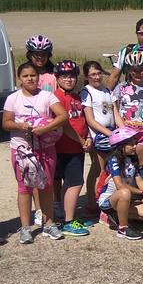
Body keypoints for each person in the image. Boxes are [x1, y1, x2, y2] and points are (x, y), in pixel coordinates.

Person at [2, 61, 69, 244]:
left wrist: (45, 128)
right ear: (20, 79)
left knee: (46, 186)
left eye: (33, 75)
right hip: (22, 149)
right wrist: (20, 125)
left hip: (46, 148)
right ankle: (25, 227)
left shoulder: (47, 96)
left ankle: (48, 224)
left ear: (38, 77)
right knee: (25, 188)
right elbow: (5, 122)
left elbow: (63, 116)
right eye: (25, 76)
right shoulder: (13, 98)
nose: (30, 78)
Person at [52, 59, 91, 236]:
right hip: (63, 146)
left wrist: (88, 136)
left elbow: (83, 121)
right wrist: (81, 141)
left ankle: (67, 216)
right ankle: (68, 221)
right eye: (64, 76)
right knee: (74, 183)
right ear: (57, 78)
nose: (69, 80)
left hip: (77, 147)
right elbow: (65, 125)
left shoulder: (76, 97)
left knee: (71, 183)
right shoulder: (56, 97)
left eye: (72, 76)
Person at [98, 130, 143, 240]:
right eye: (131, 144)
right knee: (124, 192)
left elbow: (139, 179)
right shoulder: (113, 160)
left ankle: (113, 218)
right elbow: (119, 185)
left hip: (122, 199)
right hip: (108, 200)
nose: (135, 146)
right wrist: (141, 193)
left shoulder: (132, 159)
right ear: (121, 146)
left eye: (135, 143)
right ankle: (122, 229)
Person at [81, 61, 116, 214]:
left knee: (108, 168)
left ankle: (101, 199)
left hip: (112, 133)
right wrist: (108, 133)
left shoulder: (107, 90)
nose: (97, 77)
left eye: (98, 73)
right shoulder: (86, 92)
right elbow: (90, 119)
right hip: (98, 136)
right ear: (87, 77)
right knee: (98, 169)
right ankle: (93, 201)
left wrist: (121, 131)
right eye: (92, 74)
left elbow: (115, 113)